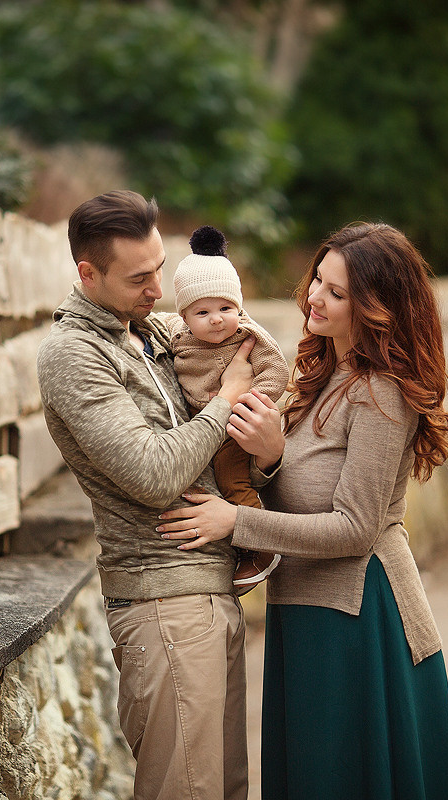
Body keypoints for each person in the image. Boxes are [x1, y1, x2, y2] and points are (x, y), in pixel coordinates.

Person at [157, 222, 448, 799]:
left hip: (359, 615)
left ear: (375, 307)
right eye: (317, 281)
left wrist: (236, 522)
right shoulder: (321, 375)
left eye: (336, 292)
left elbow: (356, 529)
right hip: (304, 609)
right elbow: (306, 489)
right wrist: (272, 457)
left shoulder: (382, 392)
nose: (314, 299)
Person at [37, 190, 256, 800]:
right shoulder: (74, 355)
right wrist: (225, 401)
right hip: (164, 604)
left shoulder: (156, 333)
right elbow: (155, 474)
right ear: (88, 273)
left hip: (211, 592)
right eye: (140, 278)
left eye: (161, 267)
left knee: (225, 789)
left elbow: (242, 342)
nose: (159, 289)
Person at [166, 225, 288, 595]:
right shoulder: (177, 336)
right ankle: (235, 545)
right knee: (205, 485)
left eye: (226, 307)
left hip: (236, 426)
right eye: (203, 311)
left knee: (232, 478)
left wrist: (248, 402)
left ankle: (261, 546)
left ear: (239, 306)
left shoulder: (247, 337)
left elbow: (277, 371)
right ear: (185, 316)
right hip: (205, 426)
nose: (217, 318)